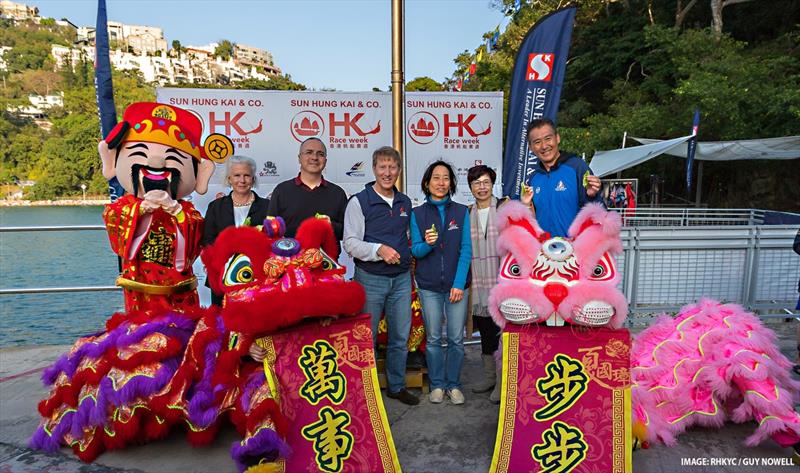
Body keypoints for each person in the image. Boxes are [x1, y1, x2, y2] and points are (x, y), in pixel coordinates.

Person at [97, 101, 226, 314]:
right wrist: (139, 211)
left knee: (181, 330)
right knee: (141, 332)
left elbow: (195, 235)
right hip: (139, 284)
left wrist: (175, 210)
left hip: (178, 288)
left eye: (173, 158)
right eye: (141, 152)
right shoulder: (125, 206)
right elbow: (114, 223)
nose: (157, 162)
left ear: (201, 173)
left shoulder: (187, 210)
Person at [343, 146, 418, 406]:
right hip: (370, 279)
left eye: (393, 167)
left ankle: (396, 386)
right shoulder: (359, 201)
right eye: (382, 167)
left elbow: (408, 237)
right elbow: (350, 243)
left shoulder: (405, 202)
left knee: (399, 337)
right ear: (374, 169)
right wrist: (378, 250)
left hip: (400, 279)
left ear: (399, 170)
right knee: (367, 339)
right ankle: (368, 392)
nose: (388, 173)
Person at [411, 160, 472, 405]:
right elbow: (416, 250)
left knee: (456, 339)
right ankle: (437, 384)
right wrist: (428, 244)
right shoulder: (417, 214)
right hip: (429, 286)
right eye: (436, 178)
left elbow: (466, 250)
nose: (441, 182)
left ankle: (453, 384)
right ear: (427, 183)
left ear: (451, 183)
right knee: (434, 338)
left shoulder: (461, 211)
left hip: (457, 286)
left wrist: (458, 283)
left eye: (446, 178)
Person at [202, 155, 269, 306]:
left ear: (253, 179)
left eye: (247, 175)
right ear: (229, 179)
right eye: (237, 175)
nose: (242, 180)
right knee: (223, 322)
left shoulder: (267, 206)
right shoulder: (216, 207)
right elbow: (208, 240)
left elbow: (272, 239)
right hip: (222, 275)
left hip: (257, 276)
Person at [466, 164, 508, 404]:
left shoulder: (503, 207)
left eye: (485, 182)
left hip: (501, 281)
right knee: (485, 331)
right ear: (470, 187)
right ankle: (489, 377)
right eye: (476, 183)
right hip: (478, 285)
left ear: (492, 184)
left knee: (502, 333)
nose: (481, 187)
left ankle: (503, 381)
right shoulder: (467, 212)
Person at [520, 118, 602, 237]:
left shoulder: (577, 167)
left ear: (557, 138)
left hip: (575, 251)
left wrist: (592, 196)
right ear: (531, 147)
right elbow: (530, 220)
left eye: (548, 139)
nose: (544, 146)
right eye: (537, 142)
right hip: (543, 251)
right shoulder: (533, 178)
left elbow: (599, 214)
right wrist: (525, 206)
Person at [267, 137, 347, 239]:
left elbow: (347, 233)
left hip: (326, 255)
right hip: (290, 254)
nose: (314, 157)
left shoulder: (338, 193)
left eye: (320, 154)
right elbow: (271, 230)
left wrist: (330, 226)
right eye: (309, 152)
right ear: (299, 158)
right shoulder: (282, 190)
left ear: (325, 161)